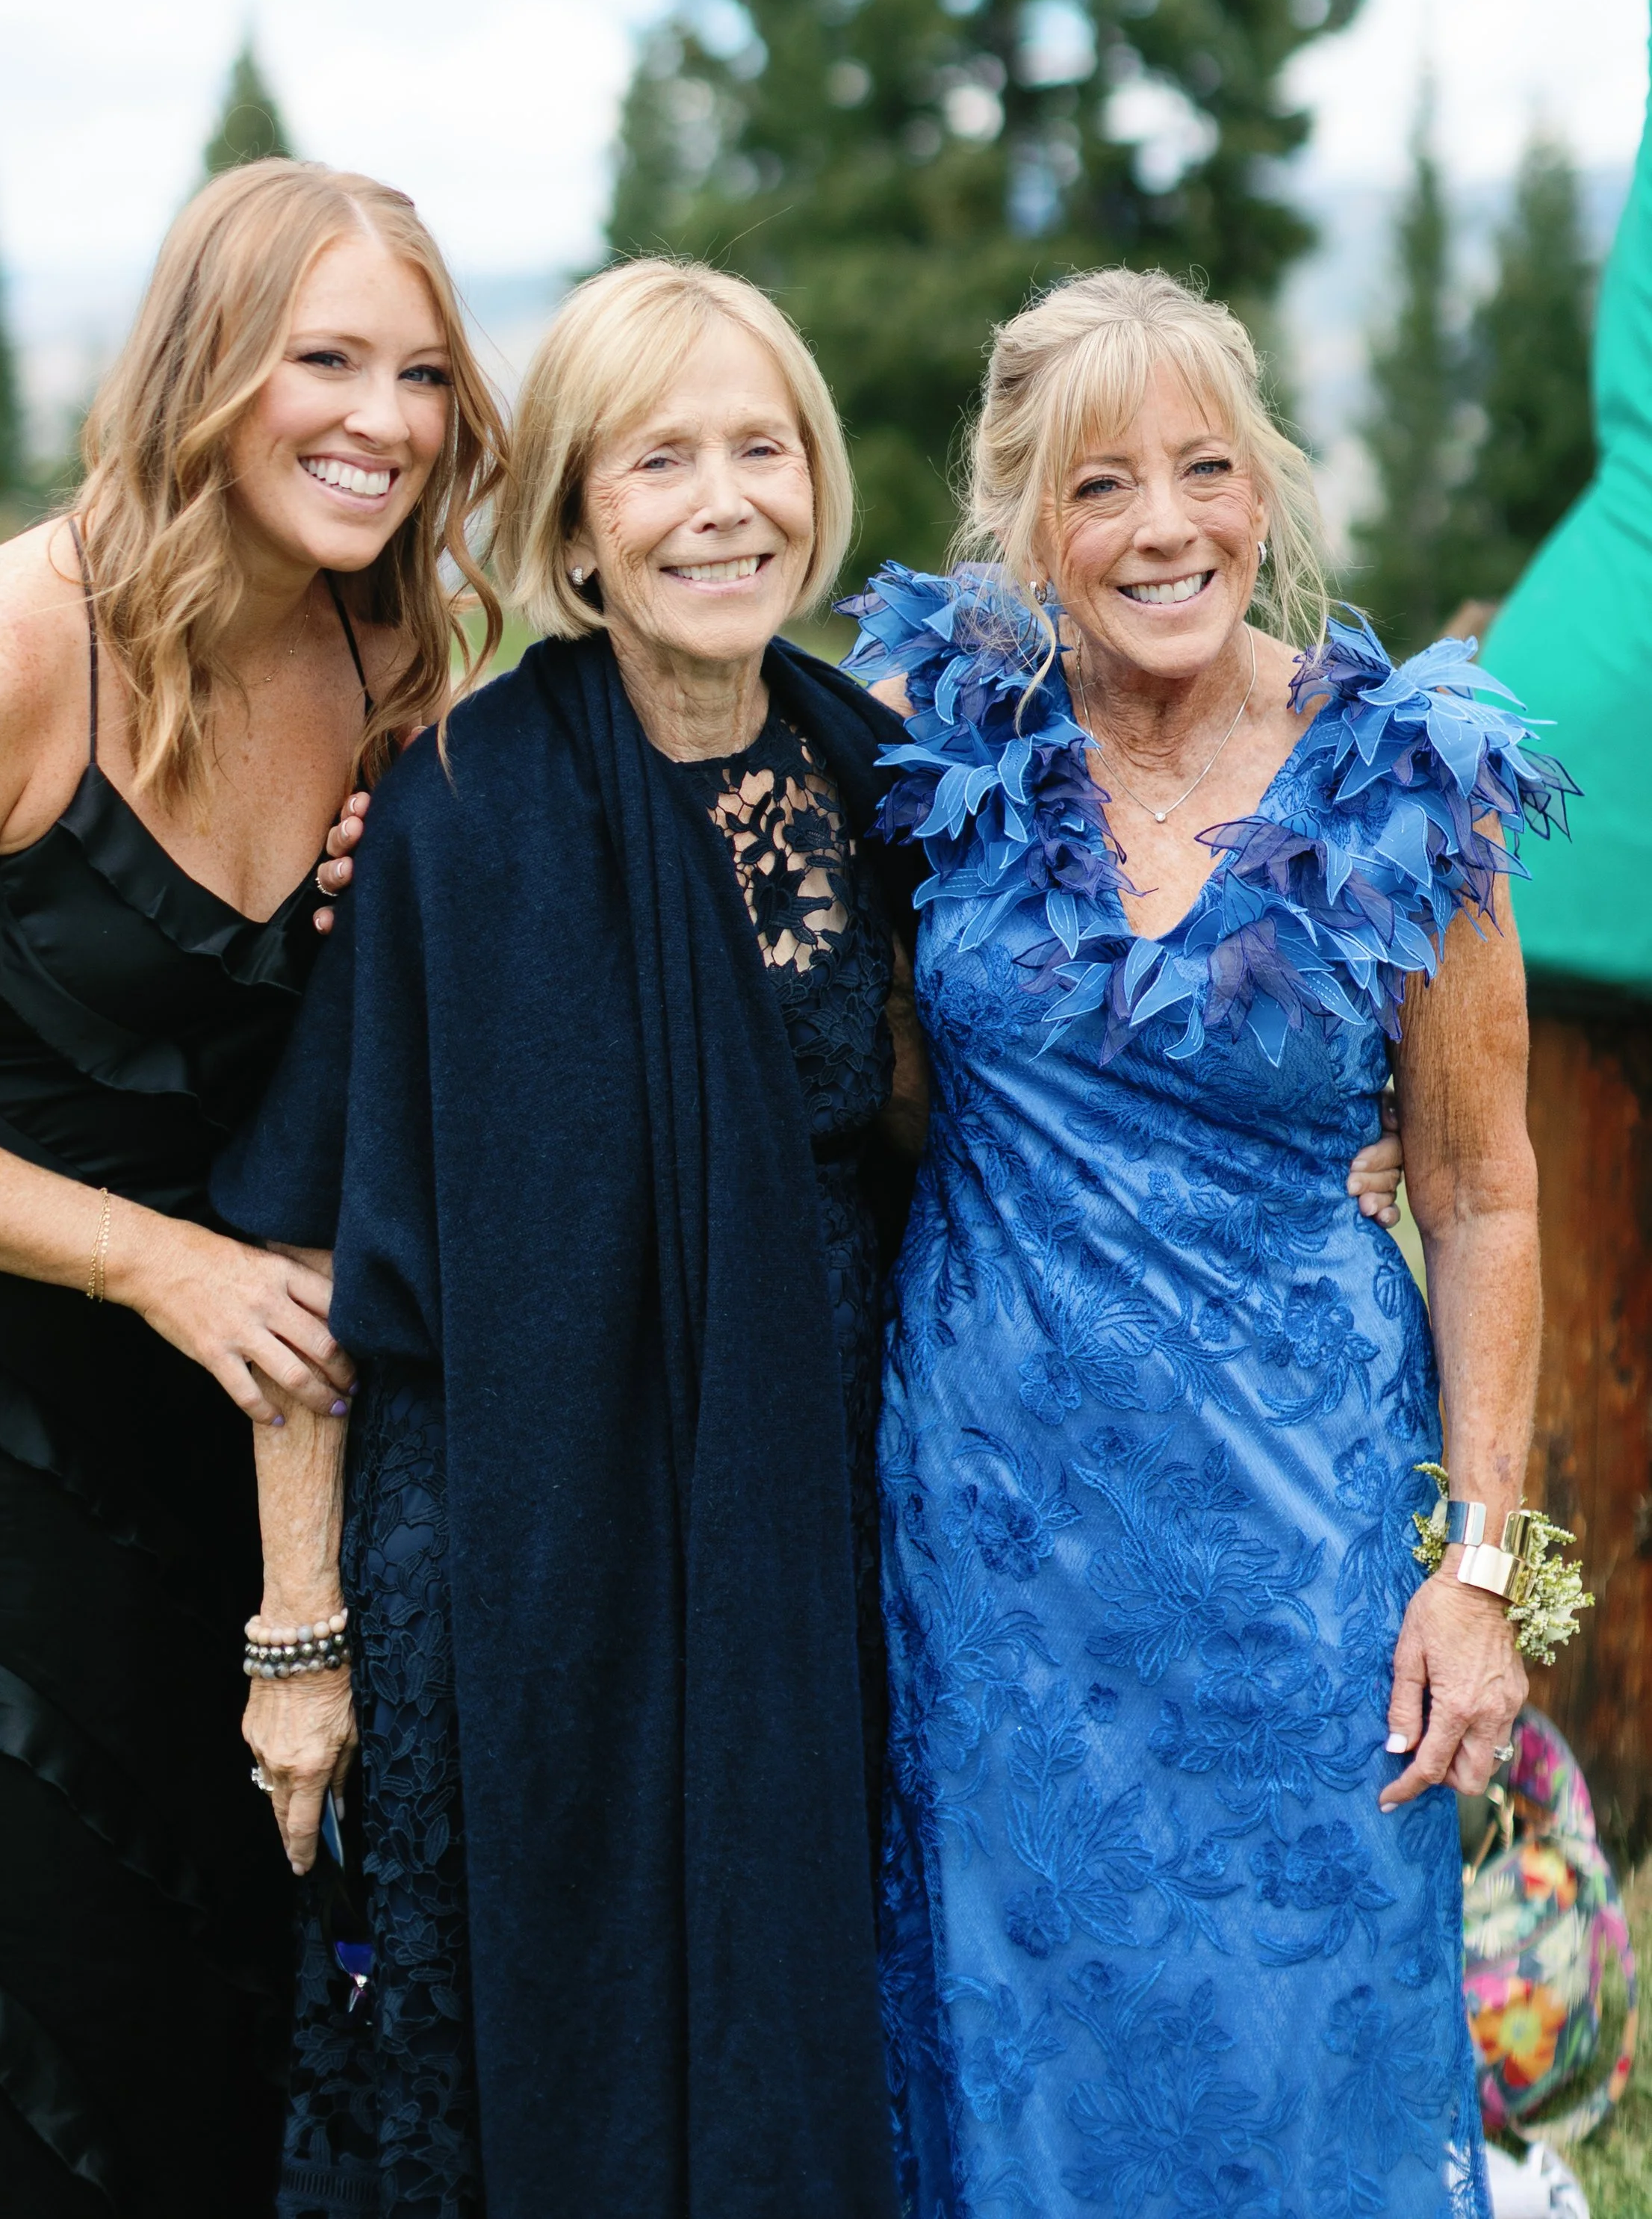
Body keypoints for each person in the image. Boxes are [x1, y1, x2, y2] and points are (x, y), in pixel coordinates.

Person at [212, 258, 1407, 2219]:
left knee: (805, 2061)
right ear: (579, 516)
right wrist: (298, 1637)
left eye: (758, 447)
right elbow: (308, 1264)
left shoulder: (903, 789)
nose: (720, 502)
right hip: (519, 1590)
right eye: (657, 456)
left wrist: (1309, 1150)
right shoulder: (449, 805)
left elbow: (1032, 1091)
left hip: (811, 1566)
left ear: (816, 476)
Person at [0, 161, 503, 2218]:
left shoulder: (392, 649)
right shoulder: (3, 648)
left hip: (207, 1445)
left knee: (182, 1998)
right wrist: (152, 1258)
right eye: (327, 360)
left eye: (424, 374)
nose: (381, 418)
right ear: (207, 369)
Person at [842, 268, 1577, 2219]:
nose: (1159, 526)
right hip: (999, 1562)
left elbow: (1485, 1186)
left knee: (1306, 2060)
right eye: (1098, 485)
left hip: (1309, 1560)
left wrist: (1486, 1571)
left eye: (1202, 469)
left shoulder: (1404, 772)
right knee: (1018, 2081)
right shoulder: (926, 751)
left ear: (1265, 488)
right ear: (1020, 520)